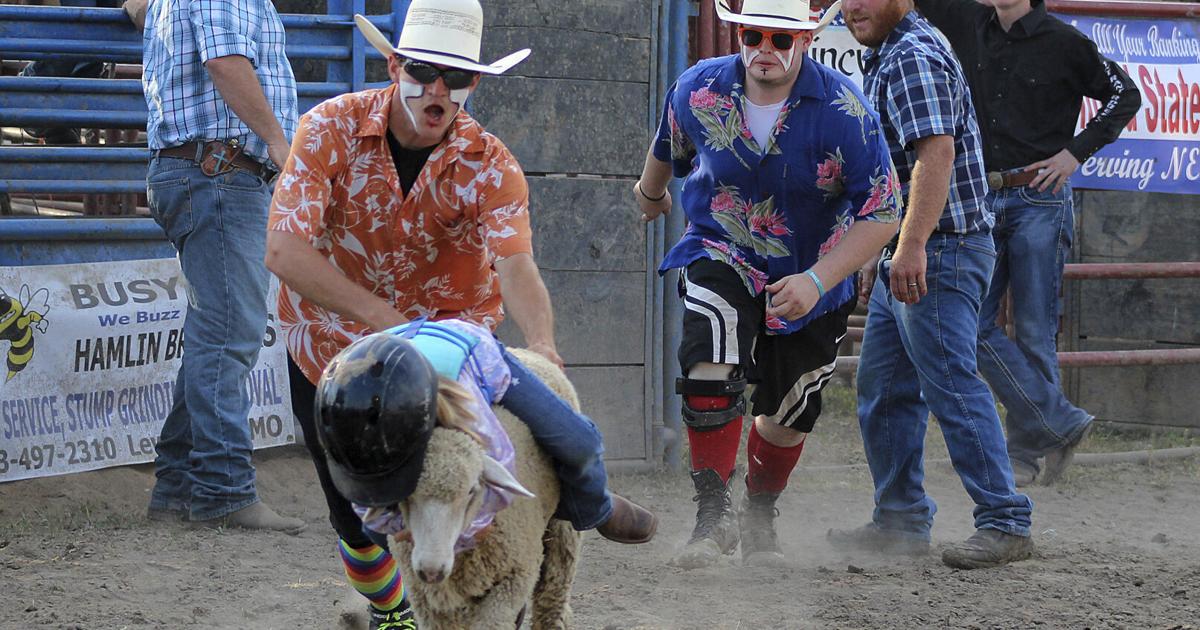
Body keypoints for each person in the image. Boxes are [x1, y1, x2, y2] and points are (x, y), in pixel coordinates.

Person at [265, 2, 656, 627]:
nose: (440, 91)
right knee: (354, 510)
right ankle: (394, 615)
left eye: (459, 77)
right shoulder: (328, 129)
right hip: (334, 353)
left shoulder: (490, 163)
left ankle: (591, 502)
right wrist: (388, 320)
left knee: (547, 434)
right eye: (425, 70)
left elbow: (515, 263)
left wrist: (543, 341)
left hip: (457, 348)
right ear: (395, 65)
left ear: (475, 83)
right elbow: (284, 249)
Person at [637, 0, 902, 568]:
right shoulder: (698, 88)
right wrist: (651, 195)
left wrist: (817, 278)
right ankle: (712, 515)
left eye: (780, 38)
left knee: (787, 410)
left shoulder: (843, 110)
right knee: (709, 354)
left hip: (814, 266)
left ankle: (760, 516)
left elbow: (883, 211)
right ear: (738, 32)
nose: (765, 49)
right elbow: (669, 145)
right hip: (721, 247)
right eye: (752, 33)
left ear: (804, 40)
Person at [829, 0, 1035, 569]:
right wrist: (885, 246)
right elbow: (902, 165)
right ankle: (899, 521)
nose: (852, 5)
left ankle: (1005, 520)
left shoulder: (911, 56)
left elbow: (935, 154)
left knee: (949, 385)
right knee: (884, 389)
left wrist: (911, 244)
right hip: (921, 246)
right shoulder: (895, 51)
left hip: (939, 249)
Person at [914, 0, 1141, 487]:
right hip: (981, 196)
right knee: (970, 327)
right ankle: (1057, 423)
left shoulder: (1066, 42)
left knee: (1035, 331)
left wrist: (1075, 153)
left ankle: (1026, 455)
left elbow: (1126, 94)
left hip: (1039, 195)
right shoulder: (966, 20)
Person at [141, 0, 302, 533]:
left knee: (218, 329)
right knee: (231, 331)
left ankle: (179, 486)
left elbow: (150, 13)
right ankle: (224, 489)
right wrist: (281, 144)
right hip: (219, 171)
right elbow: (225, 60)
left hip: (205, 171)